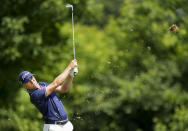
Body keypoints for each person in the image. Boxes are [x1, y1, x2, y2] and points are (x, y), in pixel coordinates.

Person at [18, 59, 78, 131]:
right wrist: (69, 67)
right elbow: (55, 83)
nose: (32, 80)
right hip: (53, 127)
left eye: (31, 77)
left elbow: (63, 89)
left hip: (66, 125)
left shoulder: (43, 84)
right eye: (28, 80)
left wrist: (71, 76)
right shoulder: (35, 95)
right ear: (24, 85)